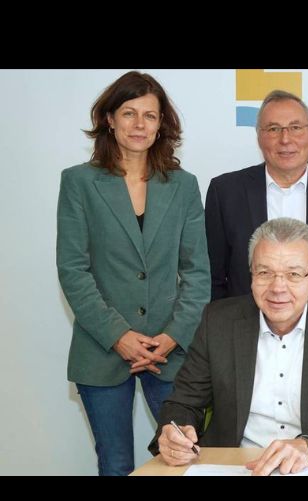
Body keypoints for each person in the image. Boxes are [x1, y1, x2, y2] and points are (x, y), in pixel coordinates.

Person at [56, 71, 210, 476]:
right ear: (110, 119)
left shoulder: (184, 185)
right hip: (102, 349)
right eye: (129, 113)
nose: (140, 125)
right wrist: (118, 336)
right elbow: (73, 270)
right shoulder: (79, 183)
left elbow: (197, 272)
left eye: (150, 115)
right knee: (116, 462)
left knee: (186, 459)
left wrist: (174, 335)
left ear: (162, 125)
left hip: (169, 351)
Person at [150, 218, 308, 475]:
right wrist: (176, 431)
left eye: (293, 274)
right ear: (251, 275)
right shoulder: (218, 321)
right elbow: (183, 403)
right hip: (234, 465)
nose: (277, 287)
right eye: (264, 273)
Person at [205, 90, 308, 320]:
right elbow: (212, 278)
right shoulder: (225, 191)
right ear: (259, 137)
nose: (285, 139)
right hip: (244, 333)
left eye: (295, 128)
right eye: (273, 129)